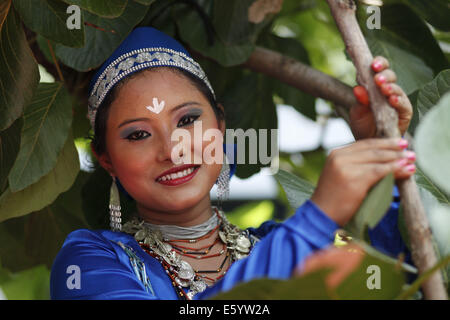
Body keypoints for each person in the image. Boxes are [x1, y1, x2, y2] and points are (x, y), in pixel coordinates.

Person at [50, 27, 415, 300]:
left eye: (187, 120)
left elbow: (398, 264)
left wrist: (383, 152)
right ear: (107, 160)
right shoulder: (88, 262)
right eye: (138, 135)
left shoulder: (275, 243)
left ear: (220, 129)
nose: (171, 149)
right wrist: (317, 217)